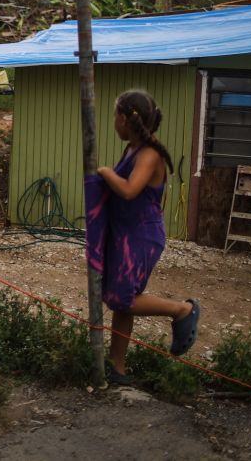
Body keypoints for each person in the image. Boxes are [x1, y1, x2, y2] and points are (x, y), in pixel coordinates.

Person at [93, 89, 200, 385]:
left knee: (123, 300)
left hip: (140, 236)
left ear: (126, 119)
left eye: (115, 115)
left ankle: (182, 310)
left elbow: (129, 189)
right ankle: (117, 367)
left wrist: (103, 171)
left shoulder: (150, 153)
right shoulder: (132, 148)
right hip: (125, 234)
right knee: (123, 297)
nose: (113, 122)